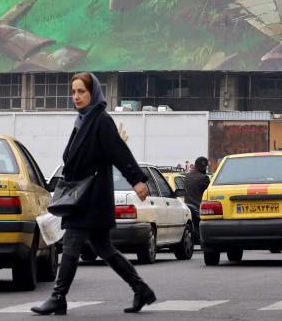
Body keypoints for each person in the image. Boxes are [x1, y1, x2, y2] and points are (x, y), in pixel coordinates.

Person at [31, 72, 157, 315]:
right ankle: (141, 289)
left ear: (93, 93)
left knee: (71, 243)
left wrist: (137, 181)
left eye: (81, 92)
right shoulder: (82, 121)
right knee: (103, 248)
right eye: (74, 92)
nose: (76, 97)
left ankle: (58, 297)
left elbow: (118, 151)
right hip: (84, 195)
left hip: (91, 197)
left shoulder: (100, 120)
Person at [183, 156, 210, 244]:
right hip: (199, 208)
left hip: (187, 206)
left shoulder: (187, 176)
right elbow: (210, 193)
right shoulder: (204, 178)